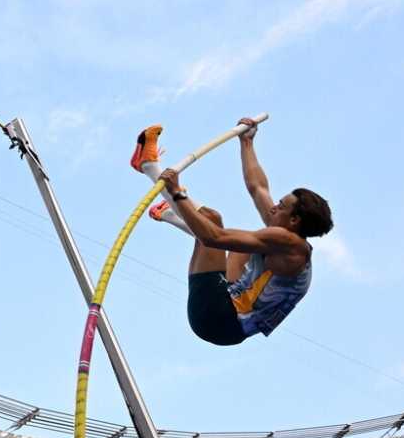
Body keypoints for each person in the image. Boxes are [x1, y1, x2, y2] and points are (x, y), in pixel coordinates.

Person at [128, 119, 333, 345]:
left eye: (282, 205)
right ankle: (168, 212)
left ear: (294, 220)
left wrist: (176, 191)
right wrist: (246, 142)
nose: (274, 206)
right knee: (238, 244)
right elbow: (258, 188)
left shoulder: (290, 245)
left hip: (220, 319)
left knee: (212, 221)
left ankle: (149, 167)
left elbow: (213, 237)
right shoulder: (282, 228)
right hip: (229, 305)